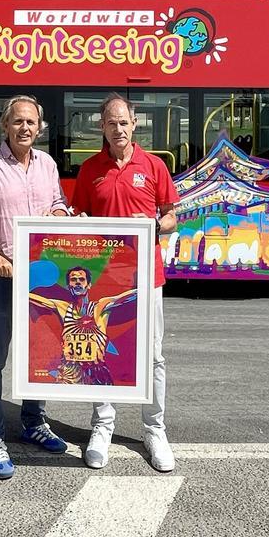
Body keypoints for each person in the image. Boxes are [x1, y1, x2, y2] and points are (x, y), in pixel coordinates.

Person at [71, 92, 180, 472]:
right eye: (111, 122)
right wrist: (80, 222)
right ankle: (102, 426)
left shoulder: (152, 166)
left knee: (152, 355)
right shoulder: (89, 170)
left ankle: (154, 429)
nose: (118, 128)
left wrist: (154, 225)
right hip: (102, 281)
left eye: (124, 122)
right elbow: (79, 211)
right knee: (100, 353)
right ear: (101, 127)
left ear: (134, 125)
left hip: (146, 277)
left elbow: (171, 216)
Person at [0, 95, 70, 479]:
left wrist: (59, 213)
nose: (25, 128)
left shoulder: (47, 165)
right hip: (3, 272)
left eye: (31, 122)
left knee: (40, 354)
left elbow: (59, 203)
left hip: (41, 274)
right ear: (5, 126)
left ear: (39, 128)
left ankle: (33, 422)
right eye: (18, 121)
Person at [29, 264, 136, 385]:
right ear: (68, 286)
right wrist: (18, 283)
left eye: (82, 279)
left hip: (97, 370)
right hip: (70, 371)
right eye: (73, 280)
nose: (78, 282)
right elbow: (31, 298)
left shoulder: (99, 307)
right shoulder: (63, 307)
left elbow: (125, 297)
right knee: (66, 401)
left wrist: (145, 283)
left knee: (103, 404)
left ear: (88, 285)